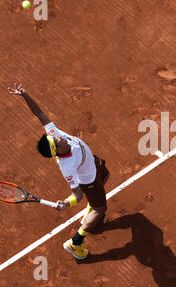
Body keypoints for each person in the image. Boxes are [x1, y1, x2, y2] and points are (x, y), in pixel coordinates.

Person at [8, 82, 109, 260]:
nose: (59, 137)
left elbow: (39, 113)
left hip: (91, 161)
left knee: (106, 174)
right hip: (89, 179)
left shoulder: (55, 135)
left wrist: (24, 94)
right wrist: (65, 203)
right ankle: (75, 243)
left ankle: (91, 206)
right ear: (57, 151)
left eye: (55, 136)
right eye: (57, 140)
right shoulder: (67, 166)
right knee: (100, 209)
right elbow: (77, 195)